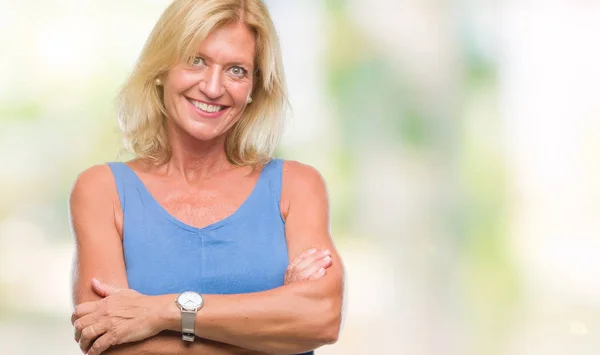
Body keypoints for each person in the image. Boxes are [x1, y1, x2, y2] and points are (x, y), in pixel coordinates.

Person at [68, 0, 344, 354]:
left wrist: (161, 312)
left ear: (254, 88)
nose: (213, 88)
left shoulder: (298, 187)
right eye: (196, 61)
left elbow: (320, 318)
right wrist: (273, 322)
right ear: (161, 67)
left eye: (237, 70)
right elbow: (108, 342)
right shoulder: (102, 190)